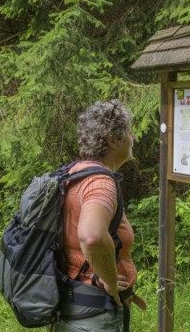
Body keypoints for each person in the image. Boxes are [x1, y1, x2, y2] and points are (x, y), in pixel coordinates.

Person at [49, 99, 143, 331]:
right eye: (130, 132)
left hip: (71, 308)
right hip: (94, 316)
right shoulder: (100, 183)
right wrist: (110, 281)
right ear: (113, 139)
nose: (134, 138)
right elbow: (91, 236)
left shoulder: (74, 173)